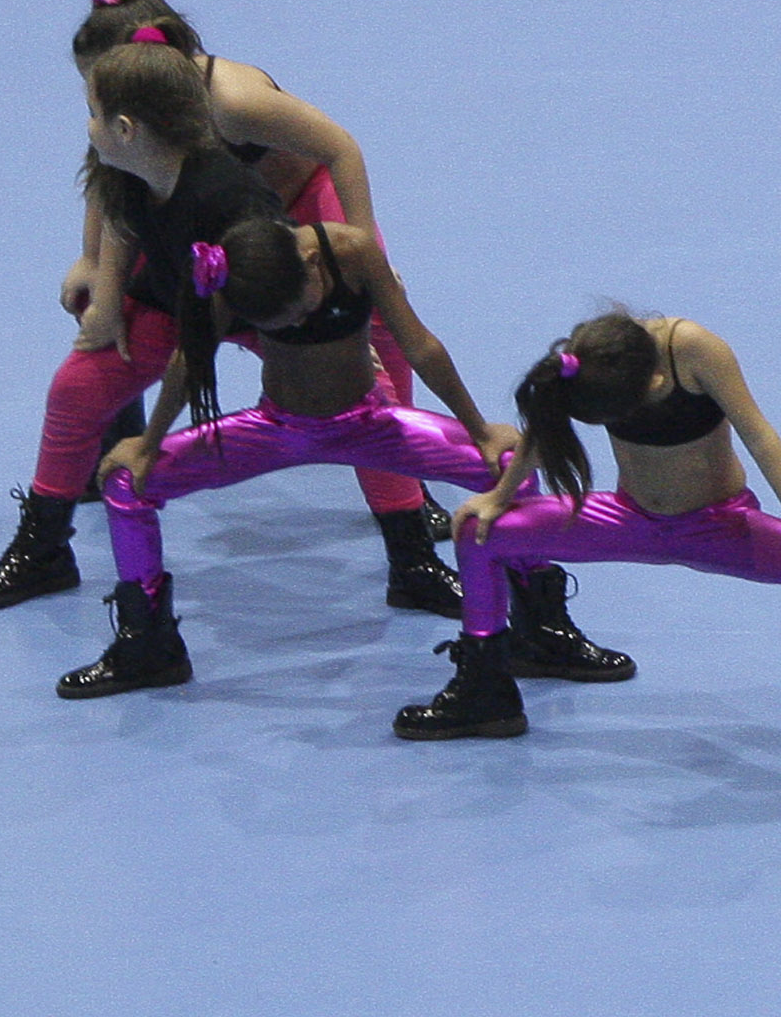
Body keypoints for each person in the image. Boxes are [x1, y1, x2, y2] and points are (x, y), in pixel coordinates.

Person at [0, 0, 447, 616]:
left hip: (270, 258)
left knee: (364, 388)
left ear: (134, 106)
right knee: (78, 385)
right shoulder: (134, 148)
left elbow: (339, 150)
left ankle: (411, 549)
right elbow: (116, 204)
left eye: (94, 107)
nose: (88, 123)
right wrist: (102, 288)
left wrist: (356, 276)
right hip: (194, 262)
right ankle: (45, 546)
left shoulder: (234, 111)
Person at [64, 208, 618, 695]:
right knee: (126, 485)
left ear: (310, 265)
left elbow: (419, 345)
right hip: (274, 428)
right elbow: (190, 360)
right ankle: (148, 646)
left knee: (509, 470)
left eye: (297, 310)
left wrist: (479, 430)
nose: (296, 324)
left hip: (371, 424)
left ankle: (540, 631)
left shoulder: (352, 252)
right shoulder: (234, 277)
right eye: (278, 326)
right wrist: (149, 443)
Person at [396, 310, 781, 796]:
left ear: (657, 382)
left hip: (718, 526)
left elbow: (760, 435)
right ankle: (487, 688)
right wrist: (499, 496)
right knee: (479, 531)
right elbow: (543, 425)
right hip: (630, 520)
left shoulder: (696, 350)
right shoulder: (590, 360)